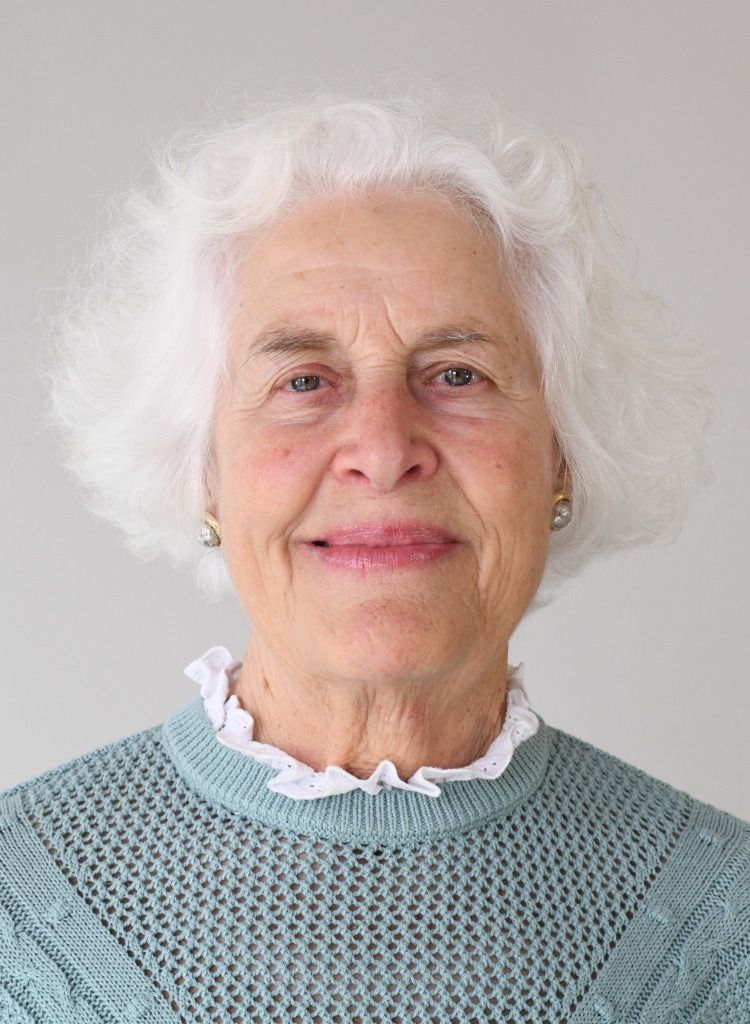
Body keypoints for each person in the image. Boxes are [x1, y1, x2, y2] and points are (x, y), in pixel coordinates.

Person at [1, 85, 747, 1023]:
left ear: (562, 458)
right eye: (303, 381)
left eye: (458, 374)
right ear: (203, 469)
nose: (385, 449)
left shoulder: (722, 929)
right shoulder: (19, 909)